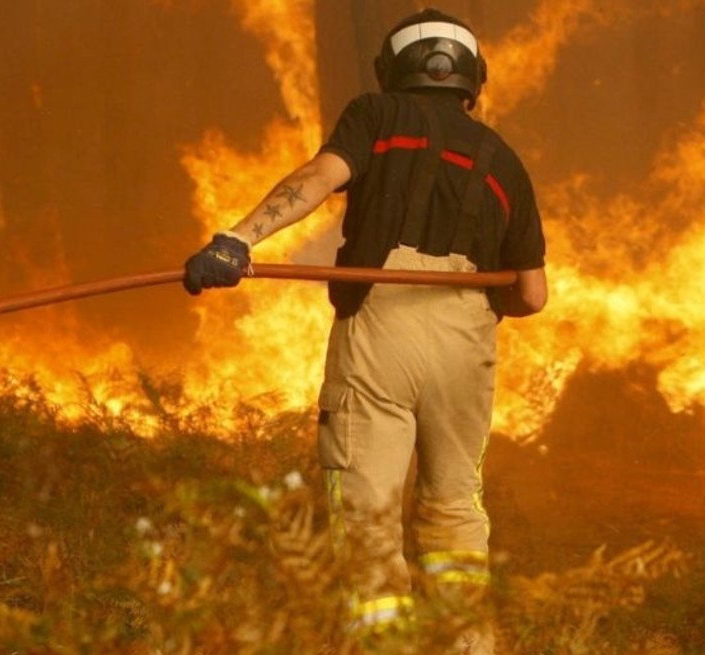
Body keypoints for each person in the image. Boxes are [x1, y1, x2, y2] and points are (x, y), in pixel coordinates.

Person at [183, 8, 546, 653]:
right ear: (472, 81)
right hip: (468, 343)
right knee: (455, 505)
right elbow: (532, 294)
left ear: (395, 71)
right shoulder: (505, 160)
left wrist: (238, 240)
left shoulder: (377, 116)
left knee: (369, 509)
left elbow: (319, 179)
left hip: (382, 326)